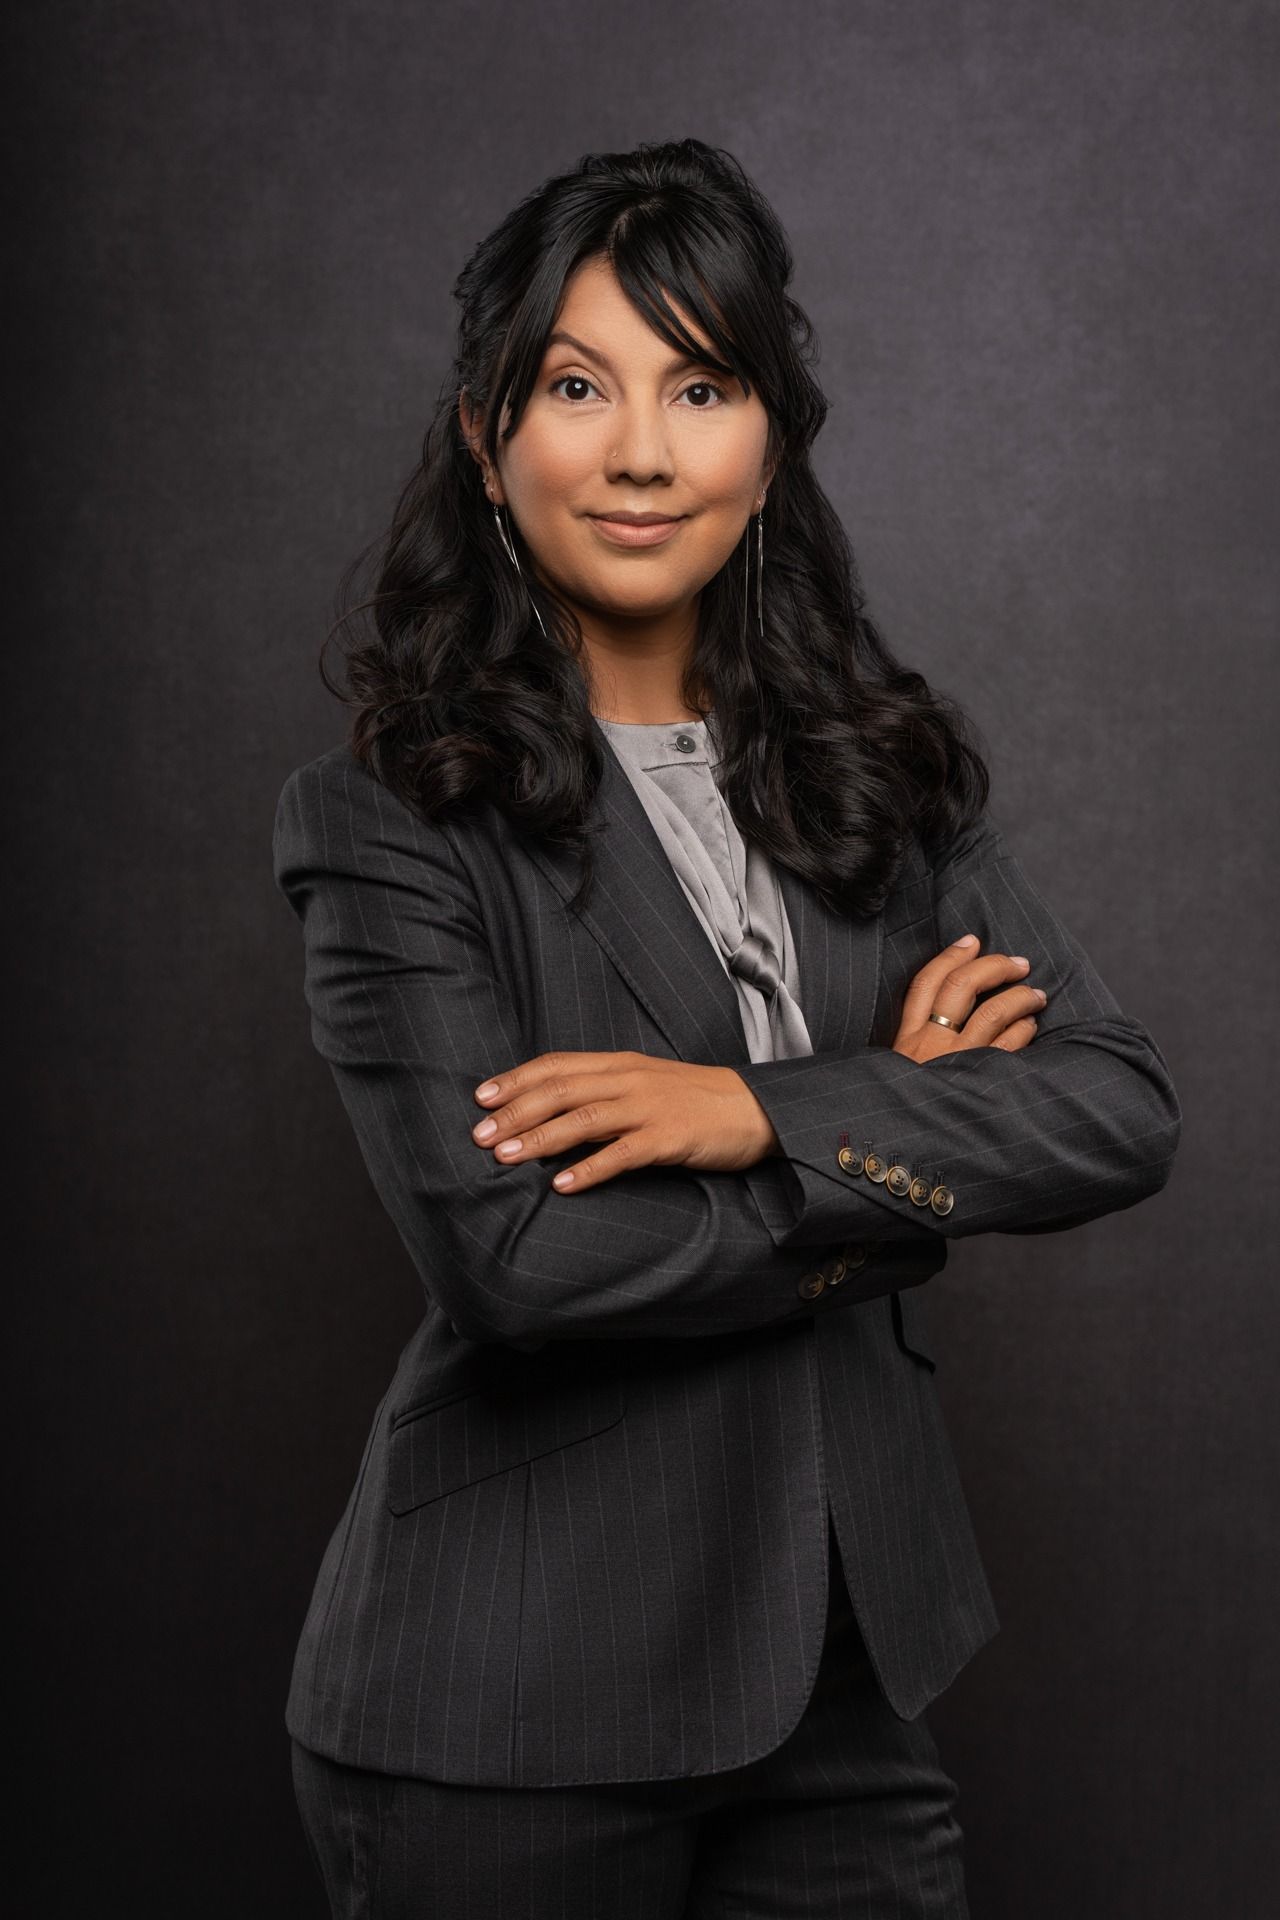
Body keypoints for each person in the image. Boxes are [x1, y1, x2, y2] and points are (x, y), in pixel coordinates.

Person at [273, 137, 1181, 1918]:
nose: (640, 450)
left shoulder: (874, 777)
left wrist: (752, 1112)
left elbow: (1115, 1108)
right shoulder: (391, 816)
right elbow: (519, 1260)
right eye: (575, 385)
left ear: (769, 442)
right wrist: (894, 1144)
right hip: (511, 1708)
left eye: (701, 384)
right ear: (486, 433)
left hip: (849, 1682)